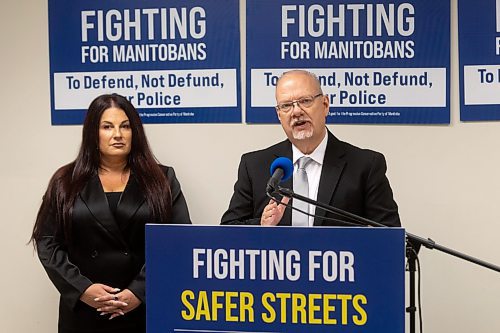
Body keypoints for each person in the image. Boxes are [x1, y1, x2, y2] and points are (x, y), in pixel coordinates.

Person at [30, 94, 191, 333]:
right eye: (107, 126)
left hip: (145, 307)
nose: (118, 134)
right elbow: (47, 243)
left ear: (134, 132)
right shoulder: (65, 181)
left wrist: (139, 291)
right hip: (84, 311)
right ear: (93, 133)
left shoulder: (163, 179)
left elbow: (179, 240)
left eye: (125, 126)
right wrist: (82, 289)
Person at [221, 70, 400, 227]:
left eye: (305, 101)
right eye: (286, 106)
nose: (296, 112)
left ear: (325, 105)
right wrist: (261, 225)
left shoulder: (365, 166)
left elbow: (390, 233)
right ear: (279, 115)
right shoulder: (254, 166)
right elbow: (228, 229)